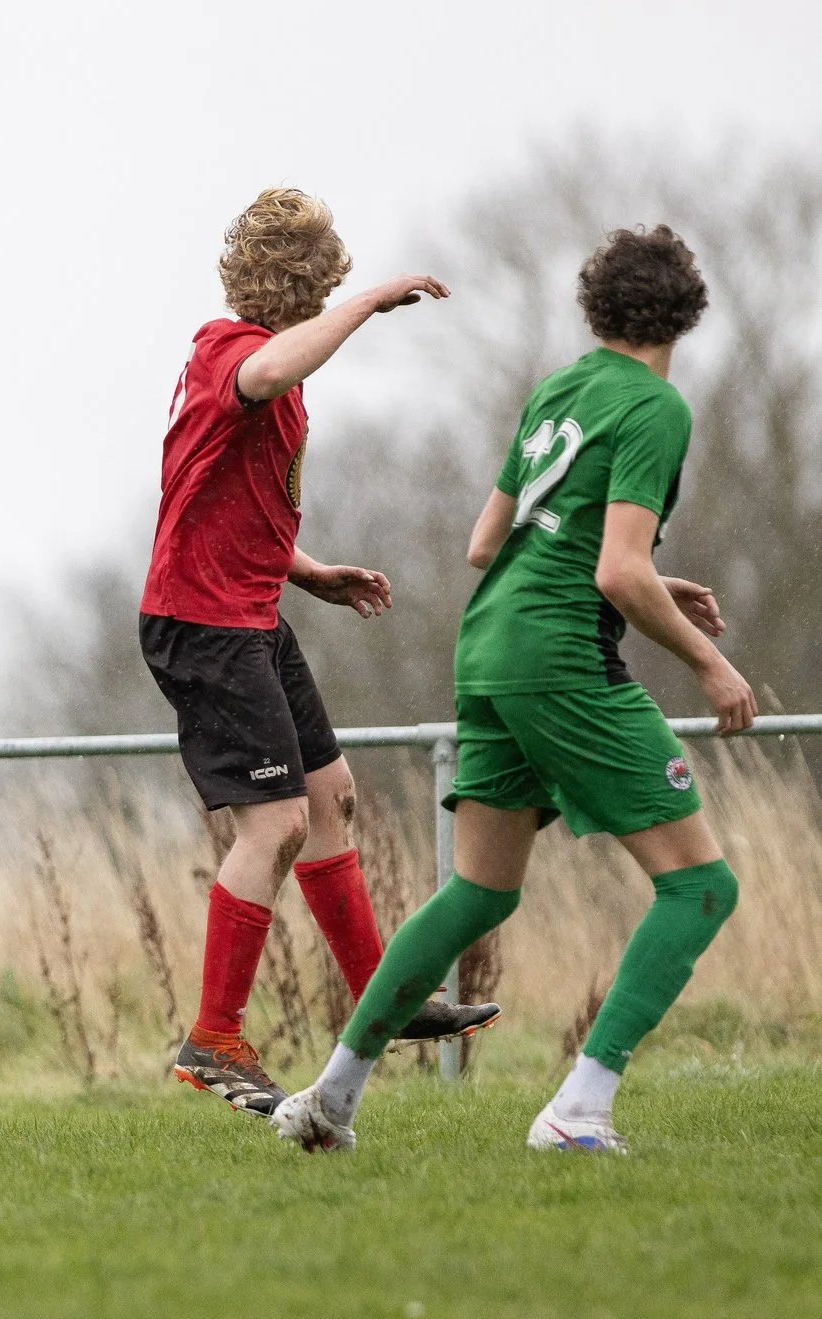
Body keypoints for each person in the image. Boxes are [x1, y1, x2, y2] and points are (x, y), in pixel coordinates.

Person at [277, 226, 748, 1155]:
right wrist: (709, 660)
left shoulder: (560, 389)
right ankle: (578, 1109)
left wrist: (652, 570)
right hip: (559, 658)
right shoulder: (655, 406)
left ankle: (330, 1100)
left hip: (487, 648)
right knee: (700, 887)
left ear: (595, 307)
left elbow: (488, 543)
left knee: (479, 894)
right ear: (686, 314)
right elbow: (615, 574)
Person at [141, 188, 501, 1119]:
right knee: (276, 826)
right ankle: (214, 1038)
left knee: (330, 797)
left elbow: (214, 497)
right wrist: (367, 307)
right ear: (307, 288)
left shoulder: (265, 365)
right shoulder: (235, 354)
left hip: (252, 610)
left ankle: (384, 997)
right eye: (328, 284)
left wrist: (307, 571)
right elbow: (262, 374)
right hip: (205, 625)